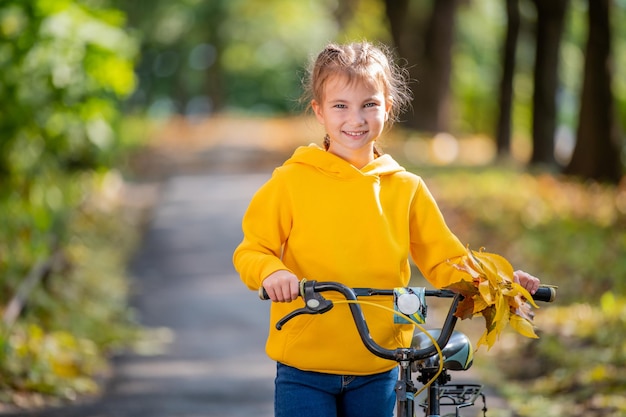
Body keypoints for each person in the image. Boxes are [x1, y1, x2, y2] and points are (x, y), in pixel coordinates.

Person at [232, 41, 540, 417]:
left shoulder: (405, 187)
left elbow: (447, 260)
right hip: (304, 365)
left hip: (380, 363)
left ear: (388, 107)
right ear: (319, 112)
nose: (355, 119)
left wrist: (502, 285)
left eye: (369, 104)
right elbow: (252, 250)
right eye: (340, 106)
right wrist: (272, 272)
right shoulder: (291, 181)